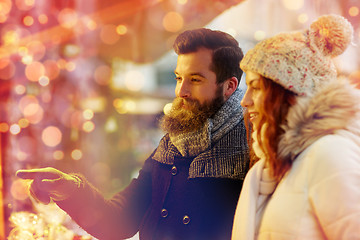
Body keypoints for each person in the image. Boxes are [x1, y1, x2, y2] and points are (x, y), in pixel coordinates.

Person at [16, 28, 250, 240]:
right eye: (179, 78)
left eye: (195, 80)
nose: (181, 91)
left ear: (229, 86)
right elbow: (119, 222)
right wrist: (70, 190)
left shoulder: (252, 146)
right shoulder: (171, 143)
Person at [231, 14, 360, 240]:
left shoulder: (328, 154)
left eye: (256, 87)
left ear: (289, 92)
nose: (245, 100)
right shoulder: (277, 165)